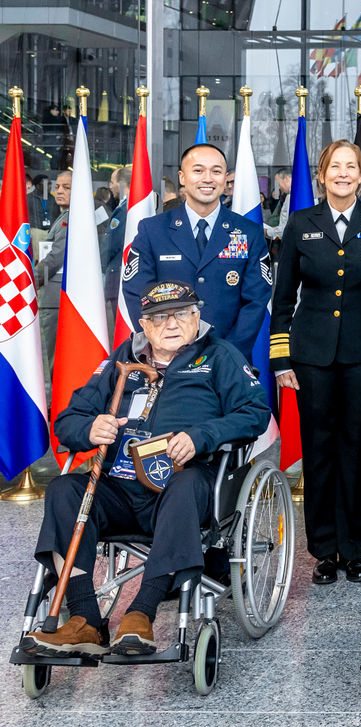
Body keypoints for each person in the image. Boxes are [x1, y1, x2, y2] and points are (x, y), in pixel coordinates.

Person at [20, 281, 269, 657]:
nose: (171, 324)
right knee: (63, 490)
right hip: (119, 487)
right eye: (159, 317)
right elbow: (69, 418)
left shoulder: (219, 356)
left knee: (183, 487)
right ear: (144, 325)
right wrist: (90, 428)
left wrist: (201, 435)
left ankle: (141, 612)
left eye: (181, 314)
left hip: (184, 485)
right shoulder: (123, 359)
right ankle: (85, 619)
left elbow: (255, 413)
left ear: (196, 316)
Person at [271, 139, 361, 586]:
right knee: (320, 451)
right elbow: (283, 296)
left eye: (352, 167)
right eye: (335, 166)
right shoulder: (301, 224)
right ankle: (324, 551)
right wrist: (281, 357)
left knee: (358, 450)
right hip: (311, 356)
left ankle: (354, 548)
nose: (344, 173)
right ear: (322, 175)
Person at [122, 144, 270, 361]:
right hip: (168, 360)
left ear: (226, 178)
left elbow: (256, 300)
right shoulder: (152, 230)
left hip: (229, 359)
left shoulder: (249, 232)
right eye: (198, 170)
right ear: (182, 177)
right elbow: (137, 293)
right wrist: (164, 345)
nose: (208, 178)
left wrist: (227, 353)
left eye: (216, 171)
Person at [35, 170, 72, 368]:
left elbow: (55, 257)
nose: (59, 191)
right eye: (57, 187)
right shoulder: (63, 217)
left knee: (54, 357)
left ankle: (58, 400)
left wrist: (31, 279)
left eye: (66, 188)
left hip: (55, 296)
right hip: (55, 295)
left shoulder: (68, 220)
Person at [103, 165, 131, 320]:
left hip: (117, 275)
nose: (110, 186)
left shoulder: (124, 209)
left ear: (121, 183)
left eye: (112, 182)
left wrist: (99, 263)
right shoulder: (127, 206)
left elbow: (111, 244)